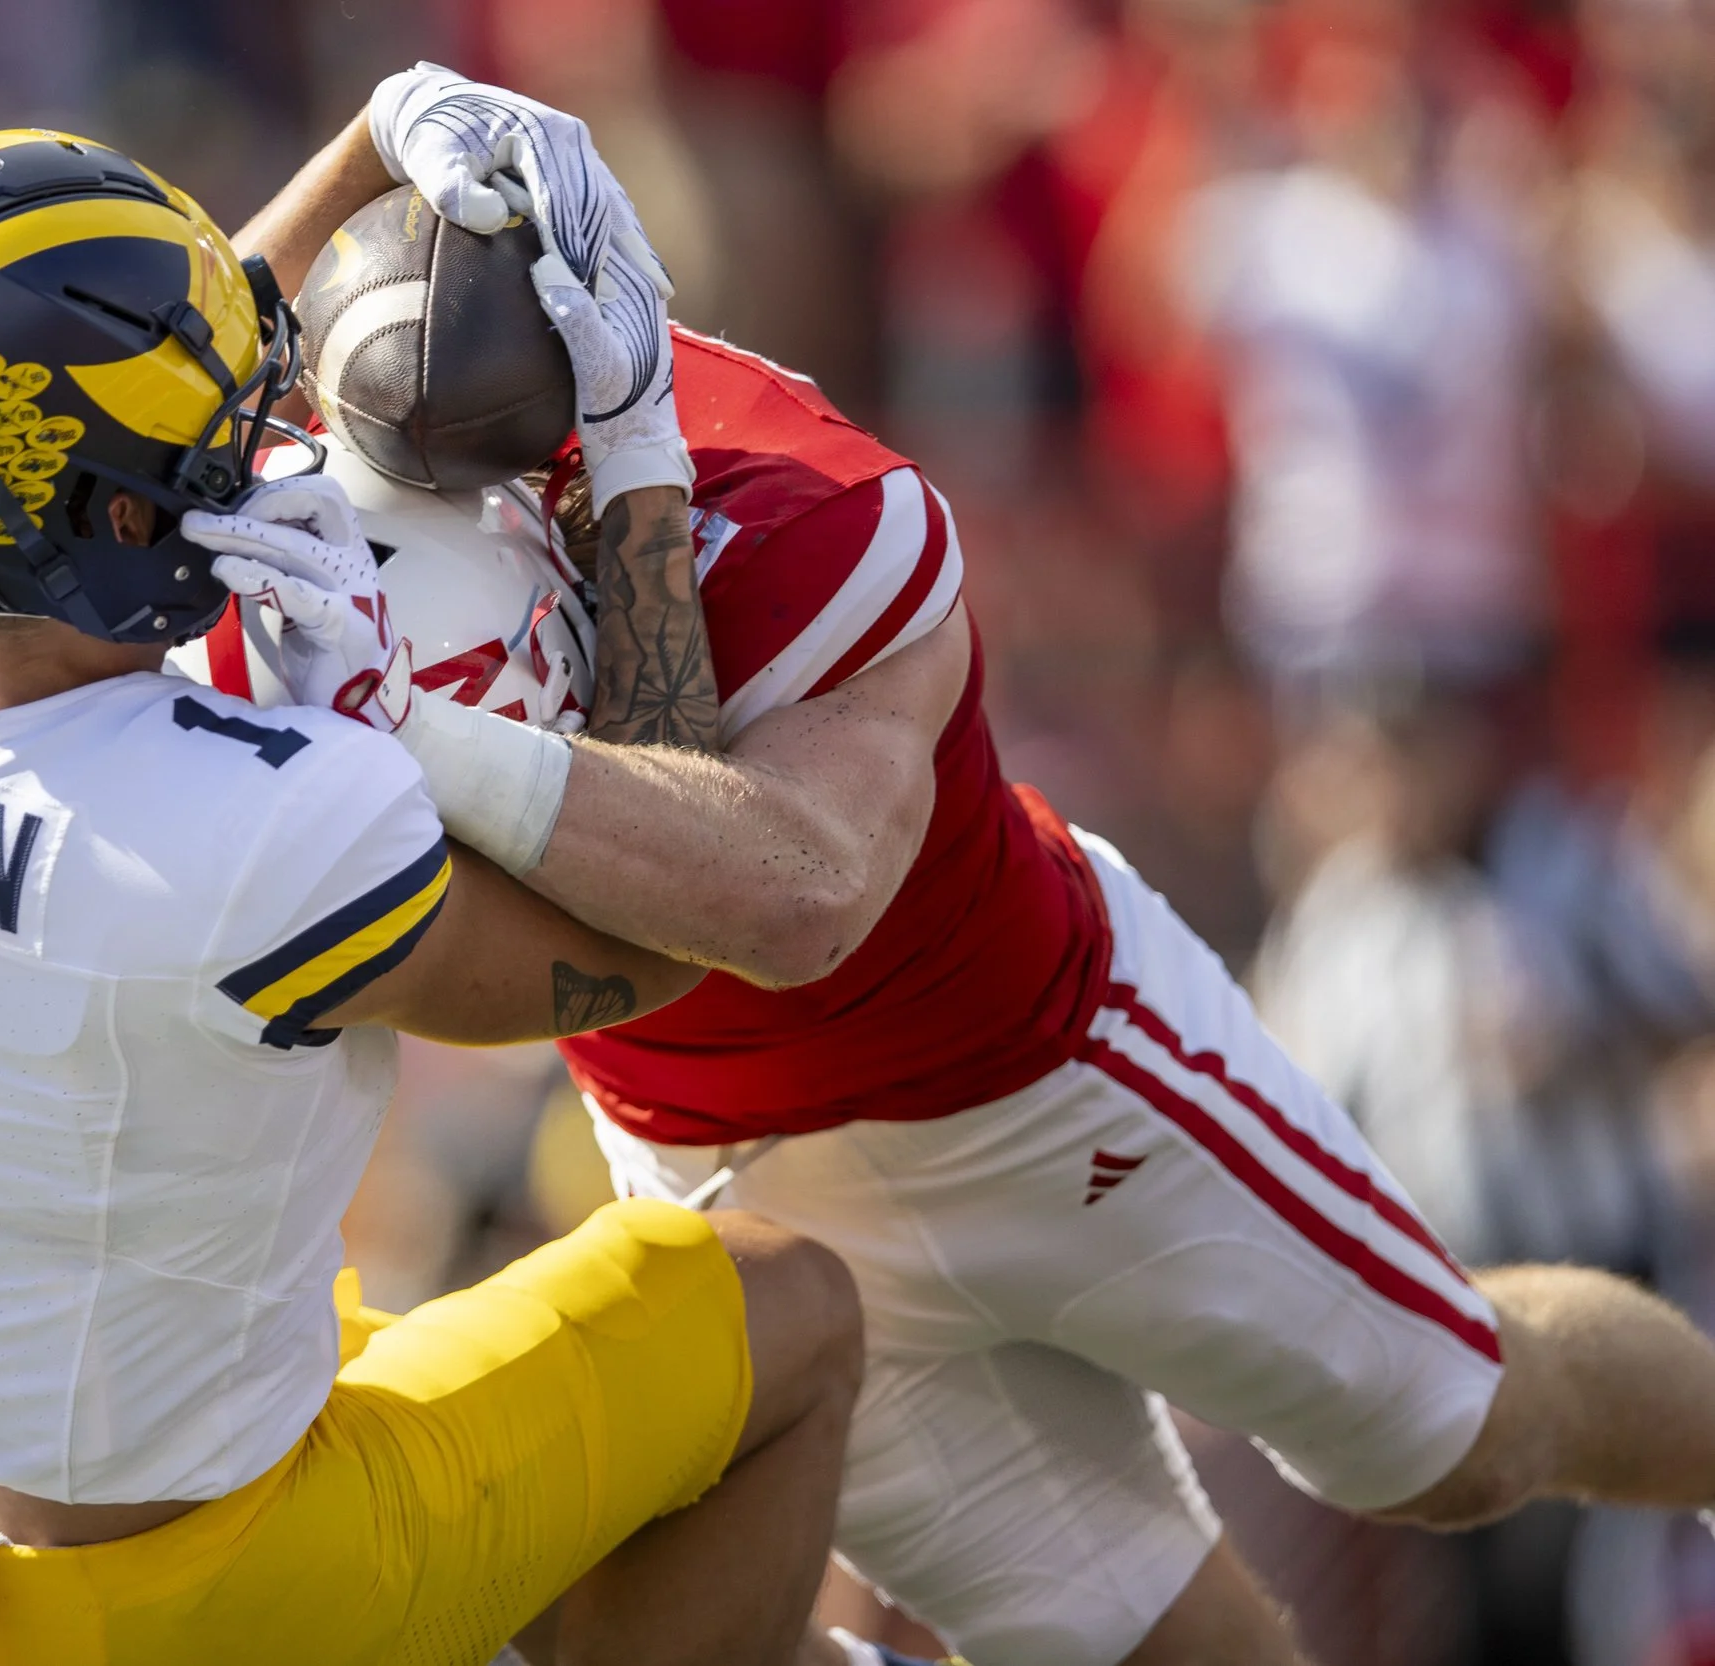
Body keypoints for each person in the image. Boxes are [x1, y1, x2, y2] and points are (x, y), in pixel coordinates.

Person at [208, 66, 1715, 1666]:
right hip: (742, 1177)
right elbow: (156, 387)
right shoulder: (301, 555)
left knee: (1450, 1433)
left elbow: (793, 897)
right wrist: (375, 135)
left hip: (1045, 1083)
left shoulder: (811, 519)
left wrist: (414, 745)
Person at [0, 126, 869, 1666]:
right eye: (209, 443)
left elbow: (34, 446)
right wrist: (631, 468)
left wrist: (371, 142)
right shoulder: (254, 825)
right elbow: (666, 937)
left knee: (353, 1324)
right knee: (784, 1306)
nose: (256, 450)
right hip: (211, 1588)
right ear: (110, 521)